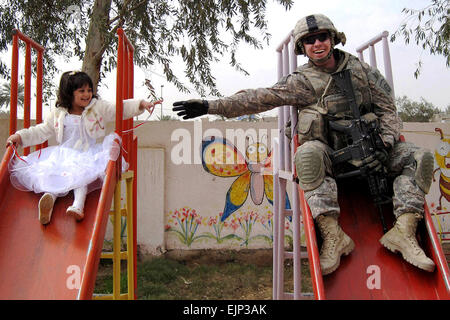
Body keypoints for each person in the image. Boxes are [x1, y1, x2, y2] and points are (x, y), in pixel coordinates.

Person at [172, 14, 436, 275]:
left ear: (332, 39)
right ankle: (333, 236)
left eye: (322, 37)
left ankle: (404, 231)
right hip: (332, 158)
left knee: (420, 157)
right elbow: (260, 98)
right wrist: (210, 106)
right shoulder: (302, 81)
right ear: (303, 48)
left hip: (374, 153)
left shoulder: (363, 72)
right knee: (307, 154)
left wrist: (385, 143)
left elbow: (388, 110)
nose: (317, 44)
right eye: (309, 40)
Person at [6, 71, 158, 225]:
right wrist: (20, 137)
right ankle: (49, 200)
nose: (87, 94)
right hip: (64, 154)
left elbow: (117, 108)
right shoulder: (59, 114)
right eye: (82, 91)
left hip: (87, 153)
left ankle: (78, 205)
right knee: (53, 174)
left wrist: (140, 104)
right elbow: (41, 130)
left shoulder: (96, 107)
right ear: (69, 93)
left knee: (82, 175)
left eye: (89, 90)